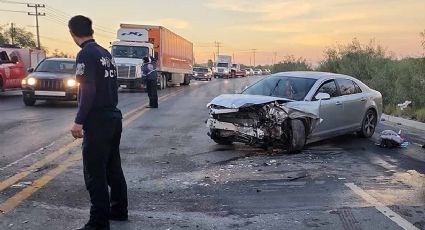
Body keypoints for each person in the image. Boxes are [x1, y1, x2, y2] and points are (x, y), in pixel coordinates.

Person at [68, 15, 128, 230]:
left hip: (98, 120)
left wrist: (79, 121)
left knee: (94, 172)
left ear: (72, 33)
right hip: (113, 117)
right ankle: (119, 210)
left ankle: (98, 222)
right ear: (91, 30)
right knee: (113, 167)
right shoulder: (105, 53)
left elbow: (87, 88)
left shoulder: (85, 54)